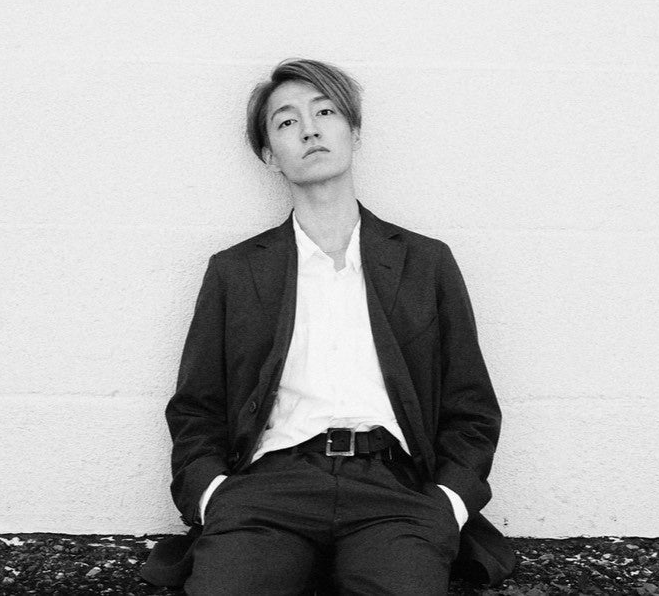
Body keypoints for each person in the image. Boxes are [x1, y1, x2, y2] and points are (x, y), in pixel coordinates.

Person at [142, 59, 515, 595]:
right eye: (286, 121)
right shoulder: (235, 271)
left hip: (396, 491)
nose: (309, 129)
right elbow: (196, 408)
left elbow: (471, 406)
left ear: (354, 133)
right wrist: (213, 496)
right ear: (270, 155)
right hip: (269, 490)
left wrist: (448, 504)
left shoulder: (425, 263)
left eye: (325, 112)